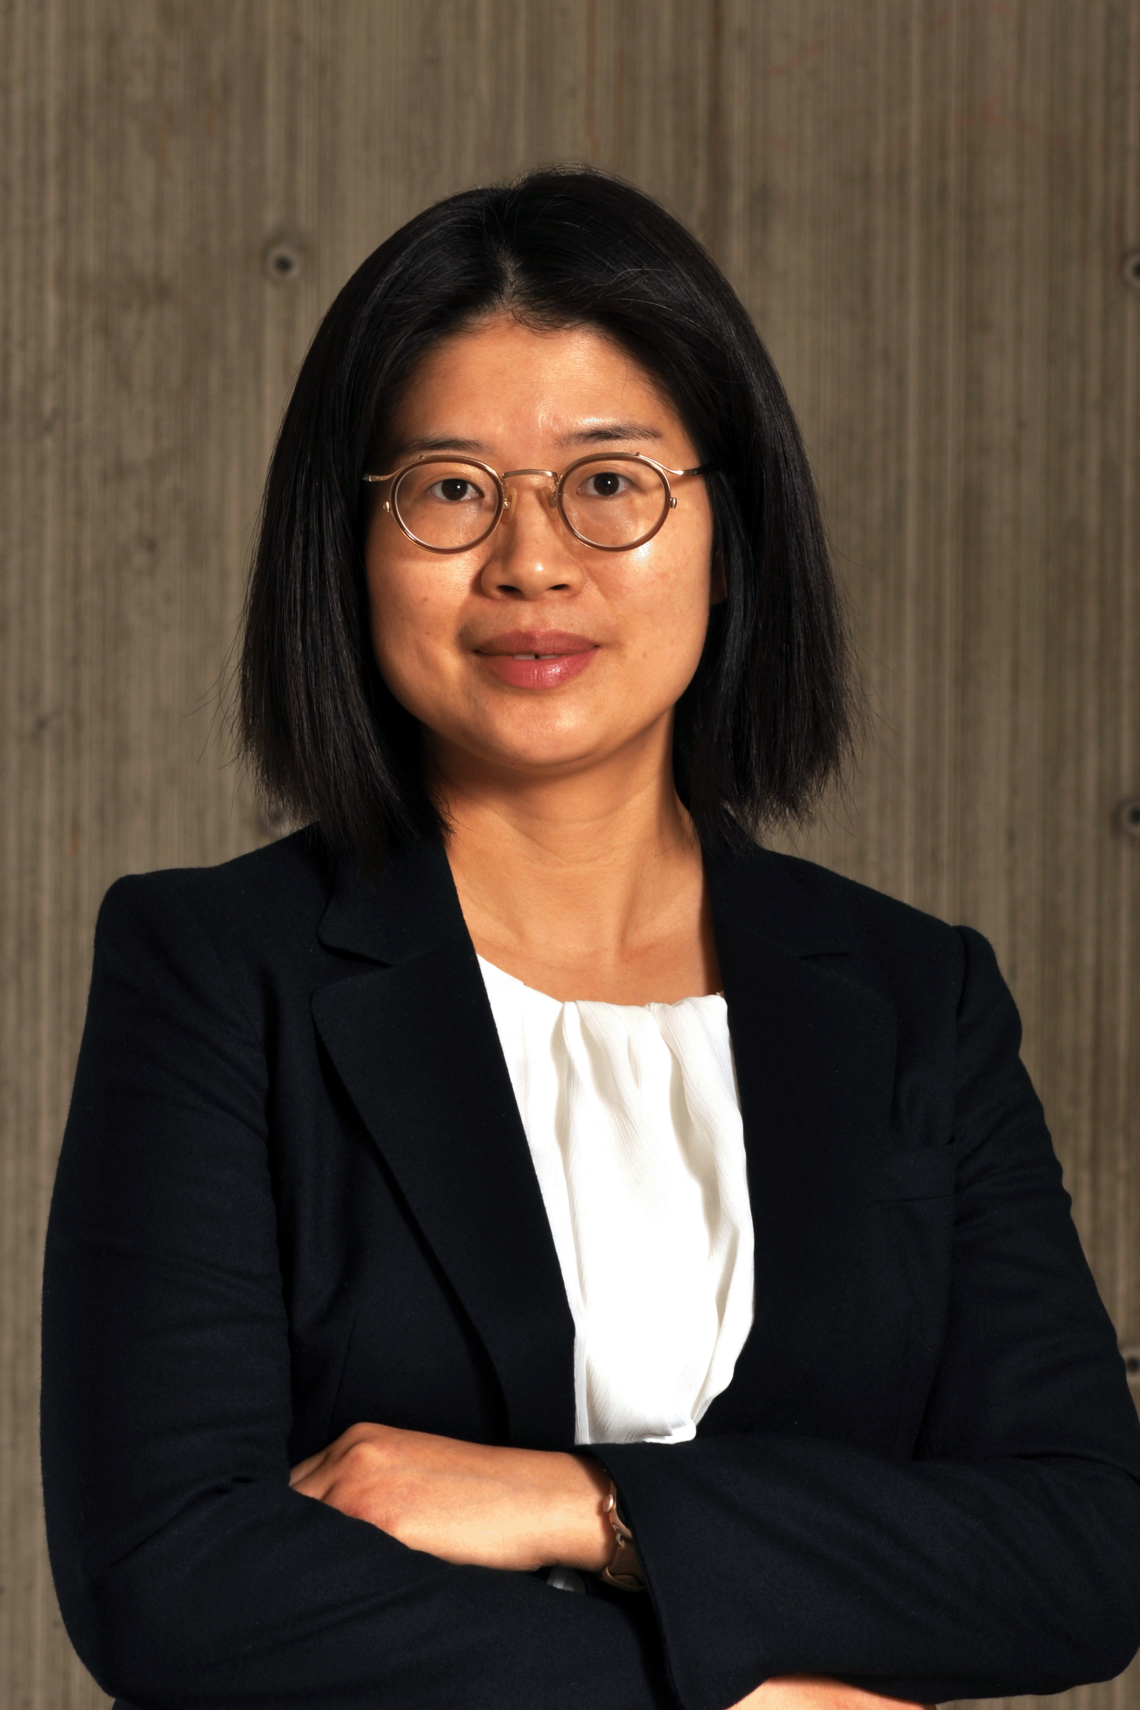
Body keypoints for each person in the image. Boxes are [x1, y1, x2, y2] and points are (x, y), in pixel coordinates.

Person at [41, 168, 1140, 1710]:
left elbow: (1085, 1547)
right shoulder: (216, 971)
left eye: (609, 482)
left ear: (726, 523)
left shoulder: (914, 997)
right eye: (448, 488)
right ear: (349, 547)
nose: (531, 562)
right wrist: (745, 1691)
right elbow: (167, 1576)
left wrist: (590, 1507)